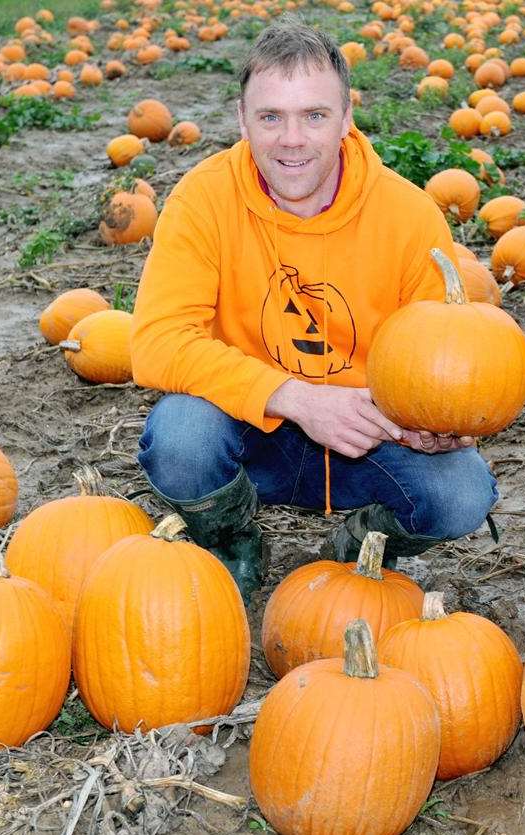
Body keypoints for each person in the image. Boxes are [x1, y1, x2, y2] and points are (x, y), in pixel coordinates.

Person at [130, 18, 497, 602]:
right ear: (242, 121)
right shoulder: (203, 200)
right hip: (250, 428)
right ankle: (231, 539)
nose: (291, 139)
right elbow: (156, 342)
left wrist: (439, 423)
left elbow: (439, 356)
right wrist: (295, 397)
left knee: (462, 493)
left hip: (366, 435)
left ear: (347, 117)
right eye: (271, 116)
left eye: (314, 115)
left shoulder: (408, 215)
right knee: (182, 439)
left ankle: (360, 550)